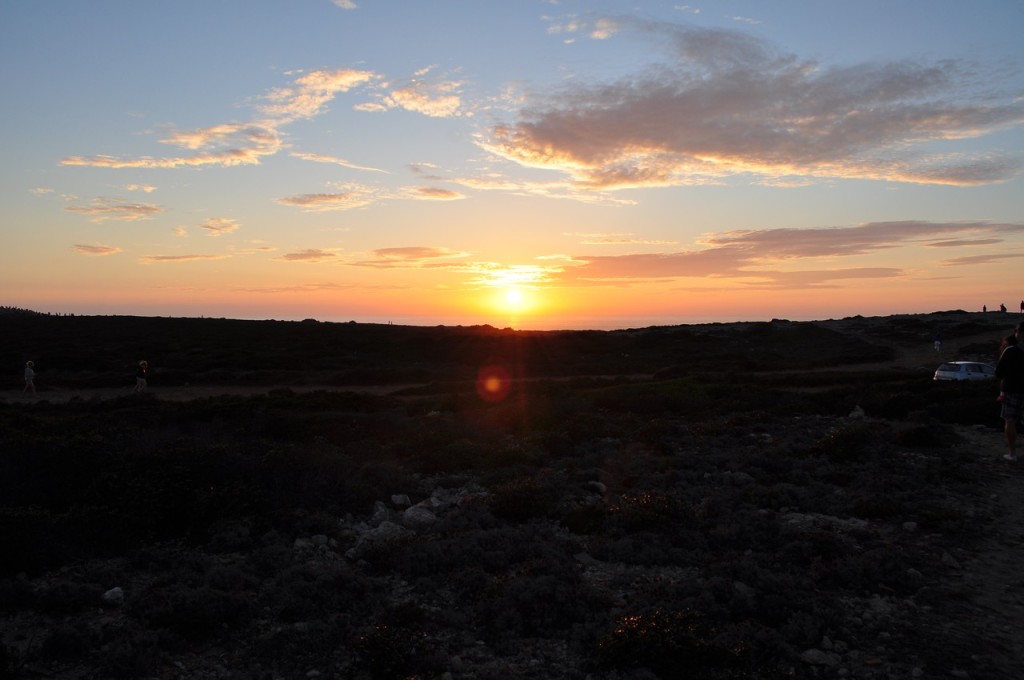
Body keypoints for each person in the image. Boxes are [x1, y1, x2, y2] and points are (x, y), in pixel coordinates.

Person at [995, 322, 1024, 461]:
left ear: (1017, 332)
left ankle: (1012, 453)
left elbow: (999, 372)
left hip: (1011, 389)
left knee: (1010, 421)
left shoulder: (1010, 350)